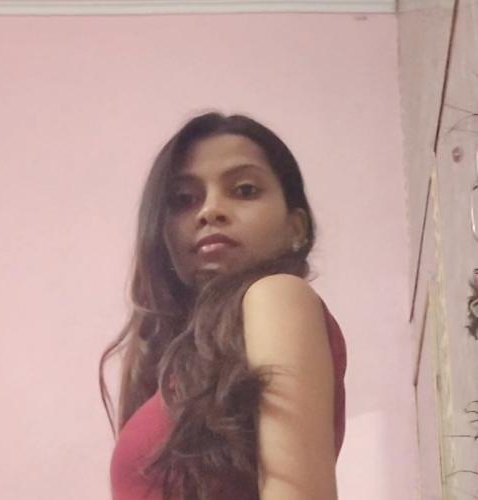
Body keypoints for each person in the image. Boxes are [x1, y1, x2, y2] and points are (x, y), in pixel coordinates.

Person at [99, 111, 347, 500]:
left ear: (296, 227)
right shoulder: (186, 364)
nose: (210, 210)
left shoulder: (275, 295)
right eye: (184, 199)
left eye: (244, 190)